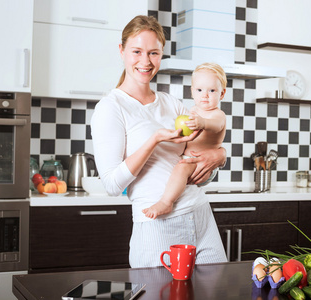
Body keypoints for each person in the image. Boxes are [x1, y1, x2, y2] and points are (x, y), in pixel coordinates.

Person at [90, 15, 228, 268]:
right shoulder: (111, 108)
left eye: (153, 53)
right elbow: (111, 184)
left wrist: (219, 156)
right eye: (137, 51)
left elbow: (199, 170)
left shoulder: (172, 103)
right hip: (158, 226)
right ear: (121, 51)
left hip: (200, 214)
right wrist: (154, 140)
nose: (145, 61)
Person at [142, 63, 227, 219]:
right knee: (177, 169)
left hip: (202, 164)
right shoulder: (192, 111)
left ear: (222, 94)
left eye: (212, 90)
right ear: (192, 92)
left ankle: (166, 202)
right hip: (190, 160)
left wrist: (203, 123)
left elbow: (216, 126)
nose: (205, 95)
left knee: (180, 169)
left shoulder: (217, 114)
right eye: (200, 90)